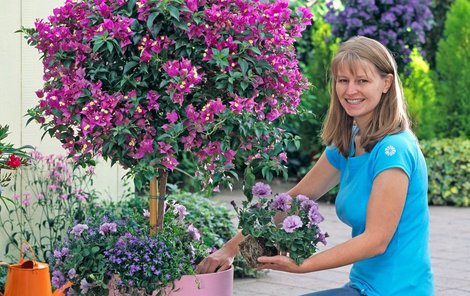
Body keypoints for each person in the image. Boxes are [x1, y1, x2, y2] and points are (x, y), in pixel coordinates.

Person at [195, 36, 434, 296]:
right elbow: (292, 200)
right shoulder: (349, 141)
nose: (350, 90)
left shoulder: (394, 150)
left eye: (362, 81)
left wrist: (302, 265)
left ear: (386, 83)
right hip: (364, 287)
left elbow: (376, 241)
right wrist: (230, 249)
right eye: (343, 81)